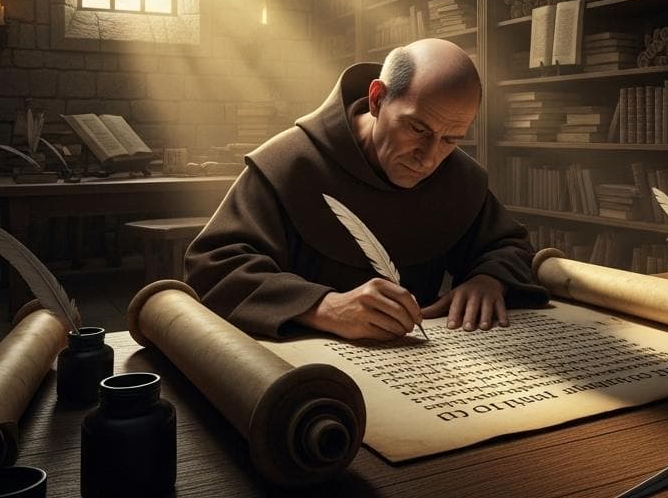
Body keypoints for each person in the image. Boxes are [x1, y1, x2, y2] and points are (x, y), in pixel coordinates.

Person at [184, 38, 548, 341]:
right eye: (418, 129)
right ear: (377, 99)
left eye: (451, 138)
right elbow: (214, 267)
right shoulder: (290, 163)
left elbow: (509, 246)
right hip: (301, 362)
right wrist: (322, 307)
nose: (429, 158)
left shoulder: (457, 175)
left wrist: (488, 280)